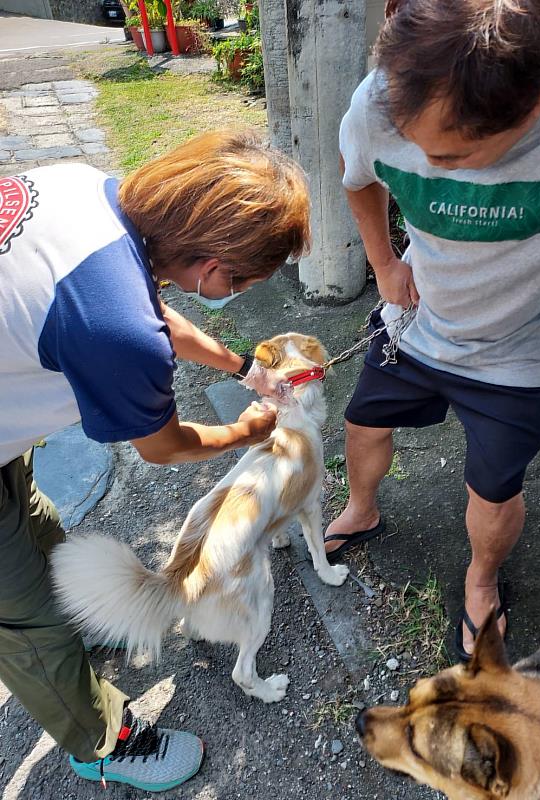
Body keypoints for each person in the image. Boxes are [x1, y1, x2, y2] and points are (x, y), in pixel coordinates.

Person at [0, 130, 310, 791]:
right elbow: (163, 446)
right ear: (214, 268)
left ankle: (78, 628)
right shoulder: (117, 331)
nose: (237, 293)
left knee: (31, 521)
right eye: (245, 281)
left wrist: (243, 366)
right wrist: (246, 432)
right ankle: (101, 743)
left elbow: (152, 309)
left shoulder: (83, 186)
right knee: (22, 616)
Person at [327, 0, 540, 660]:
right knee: (362, 423)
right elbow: (360, 182)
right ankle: (361, 508)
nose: (422, 160)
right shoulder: (378, 102)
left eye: (448, 156)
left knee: (494, 488)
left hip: (519, 353)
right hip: (416, 322)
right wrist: (385, 263)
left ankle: (482, 582)